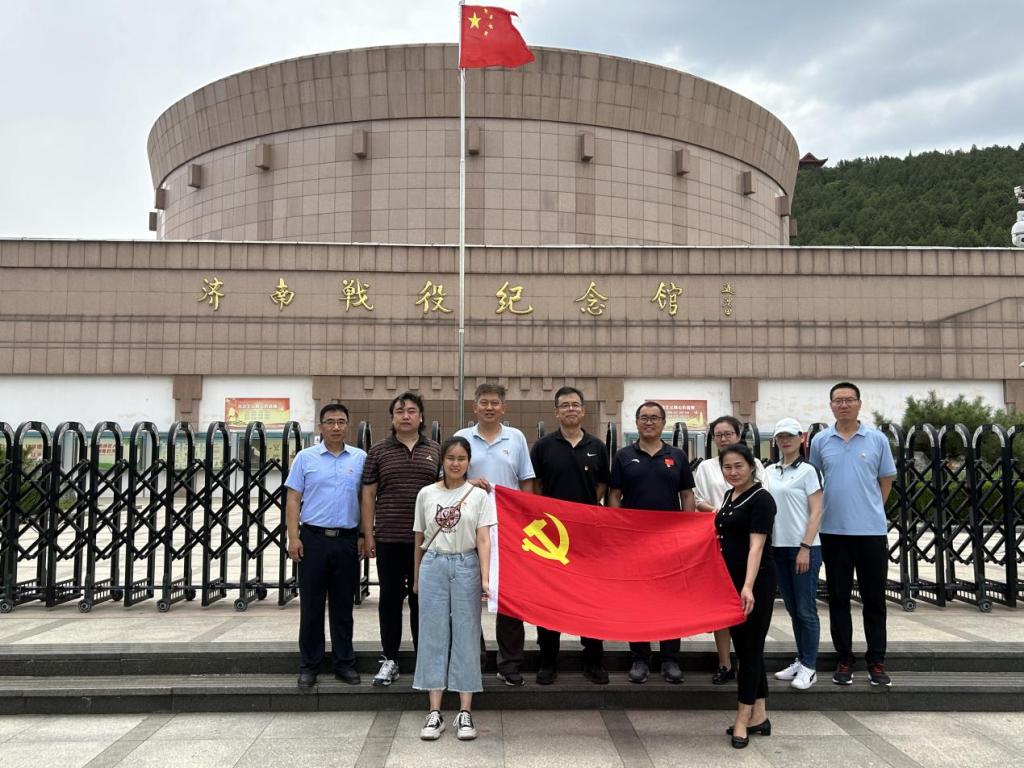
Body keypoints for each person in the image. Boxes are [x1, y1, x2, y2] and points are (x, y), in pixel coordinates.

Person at [809, 382, 897, 687]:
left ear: (859, 403)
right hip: (833, 532)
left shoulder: (877, 439)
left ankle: (876, 660)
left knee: (874, 599)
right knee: (838, 598)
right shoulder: (820, 441)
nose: (843, 405)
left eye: (849, 400)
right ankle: (844, 657)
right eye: (838, 400)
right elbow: (814, 481)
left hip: (871, 532)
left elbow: (886, 480)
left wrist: (871, 508)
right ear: (831, 405)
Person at [412, 436, 496, 741]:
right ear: (442, 460)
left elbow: (483, 539)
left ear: (468, 461)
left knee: (466, 634)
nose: (456, 463)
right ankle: (434, 711)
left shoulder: (478, 496)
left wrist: (485, 577)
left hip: (466, 565)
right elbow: (419, 538)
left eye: (461, 458)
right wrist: (417, 576)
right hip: (433, 564)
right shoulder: (426, 493)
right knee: (432, 634)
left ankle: (465, 711)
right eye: (450, 458)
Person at [608, 400, 696, 684]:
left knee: (671, 599)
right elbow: (614, 495)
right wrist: (617, 530)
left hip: (669, 541)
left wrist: (689, 532)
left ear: (663, 423)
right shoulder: (623, 456)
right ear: (636, 423)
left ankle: (670, 657)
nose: (649, 422)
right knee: (637, 599)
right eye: (644, 418)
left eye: (654, 418)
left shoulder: (677, 455)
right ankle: (640, 658)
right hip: (634, 542)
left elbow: (687, 495)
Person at [454, 383, 536, 688]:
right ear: (474, 407)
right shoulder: (462, 437)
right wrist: (469, 483)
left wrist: (525, 520)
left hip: (508, 531)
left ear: (504, 408)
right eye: (484, 403)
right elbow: (450, 479)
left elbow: (526, 482)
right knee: (467, 596)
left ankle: (510, 663)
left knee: (510, 597)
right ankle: (472, 660)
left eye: (495, 403)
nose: (489, 407)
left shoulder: (515, 438)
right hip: (468, 528)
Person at [529, 386, 610, 685]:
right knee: (549, 597)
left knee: (590, 598)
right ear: (556, 412)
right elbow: (535, 487)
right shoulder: (543, 446)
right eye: (565, 405)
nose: (571, 409)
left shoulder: (597, 446)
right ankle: (548, 659)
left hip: (588, 537)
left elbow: (602, 486)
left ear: (583, 410)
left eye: (575, 405)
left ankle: (593, 659)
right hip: (551, 537)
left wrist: (581, 514)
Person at [360, 392, 441, 687]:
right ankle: (390, 659)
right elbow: (368, 494)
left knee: (423, 602)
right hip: (389, 538)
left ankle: (424, 660)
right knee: (390, 601)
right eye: (399, 411)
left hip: (426, 542)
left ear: (421, 417)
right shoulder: (378, 451)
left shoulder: (436, 450)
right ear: (392, 417)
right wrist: (367, 534)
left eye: (411, 411)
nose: (406, 416)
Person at [285, 403, 367, 687]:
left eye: (341, 422)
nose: (336, 427)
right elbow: (293, 498)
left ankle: (344, 663)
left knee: (344, 606)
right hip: (313, 540)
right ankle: (310, 665)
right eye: (330, 422)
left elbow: (365, 499)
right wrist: (293, 537)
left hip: (346, 540)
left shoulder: (360, 458)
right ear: (320, 426)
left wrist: (363, 535)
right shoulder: (305, 458)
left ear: (347, 426)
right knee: (311, 606)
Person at [693, 415, 766, 684]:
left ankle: (750, 664)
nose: (724, 438)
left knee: (748, 606)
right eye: (719, 435)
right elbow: (697, 499)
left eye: (729, 434)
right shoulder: (706, 467)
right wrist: (722, 512)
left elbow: (761, 497)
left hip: (749, 541)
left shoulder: (755, 464)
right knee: (720, 607)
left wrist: (736, 514)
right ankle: (724, 662)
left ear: (739, 435)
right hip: (716, 541)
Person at [716, 443, 776, 749]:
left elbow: (756, 546)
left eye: (738, 466)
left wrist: (748, 586)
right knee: (747, 648)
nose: (733, 472)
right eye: (727, 467)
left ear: (751, 466)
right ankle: (759, 715)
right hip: (732, 582)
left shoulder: (762, 499)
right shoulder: (730, 496)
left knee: (749, 651)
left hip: (754, 583)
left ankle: (742, 718)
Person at [763, 418, 823, 690]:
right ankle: (801, 659)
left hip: (804, 549)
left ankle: (810, 666)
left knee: (806, 609)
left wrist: (805, 547)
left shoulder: (808, 471)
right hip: (777, 548)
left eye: (790, 436)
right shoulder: (769, 471)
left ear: (801, 438)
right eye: (780, 437)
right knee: (792, 607)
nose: (785, 441)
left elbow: (816, 511)